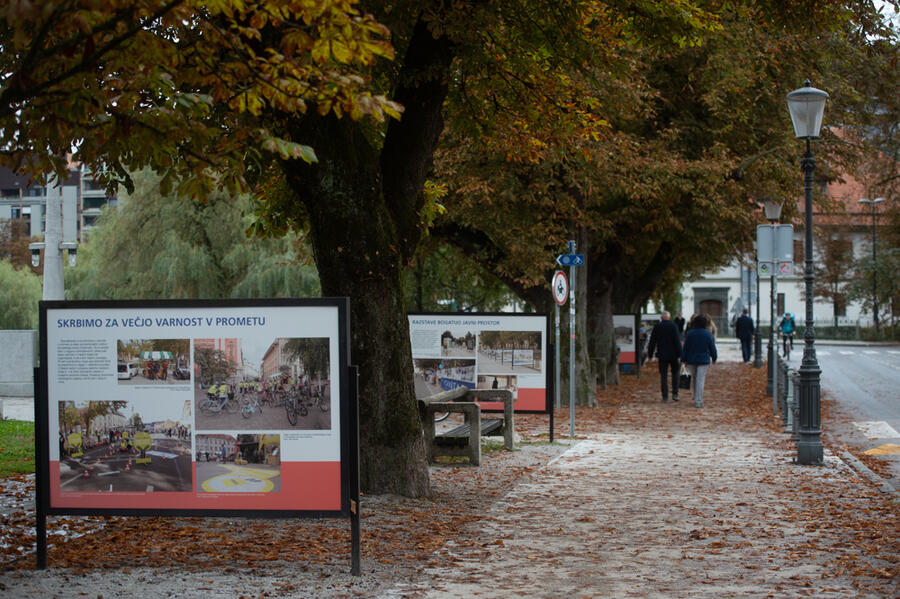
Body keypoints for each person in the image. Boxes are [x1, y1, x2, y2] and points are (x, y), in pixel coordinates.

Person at [647, 311, 683, 403]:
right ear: (669, 317)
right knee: (675, 374)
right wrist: (680, 355)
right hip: (674, 355)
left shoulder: (657, 326)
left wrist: (650, 354)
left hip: (662, 355)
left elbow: (652, 341)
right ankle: (675, 393)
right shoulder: (674, 326)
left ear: (661, 318)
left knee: (663, 375)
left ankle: (665, 396)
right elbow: (677, 341)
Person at [682, 314, 717, 408]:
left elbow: (686, 348)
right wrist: (714, 357)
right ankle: (698, 400)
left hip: (691, 360)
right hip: (703, 359)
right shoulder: (708, 334)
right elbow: (712, 347)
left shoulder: (690, 333)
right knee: (700, 379)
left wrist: (683, 359)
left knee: (695, 378)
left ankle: (695, 396)